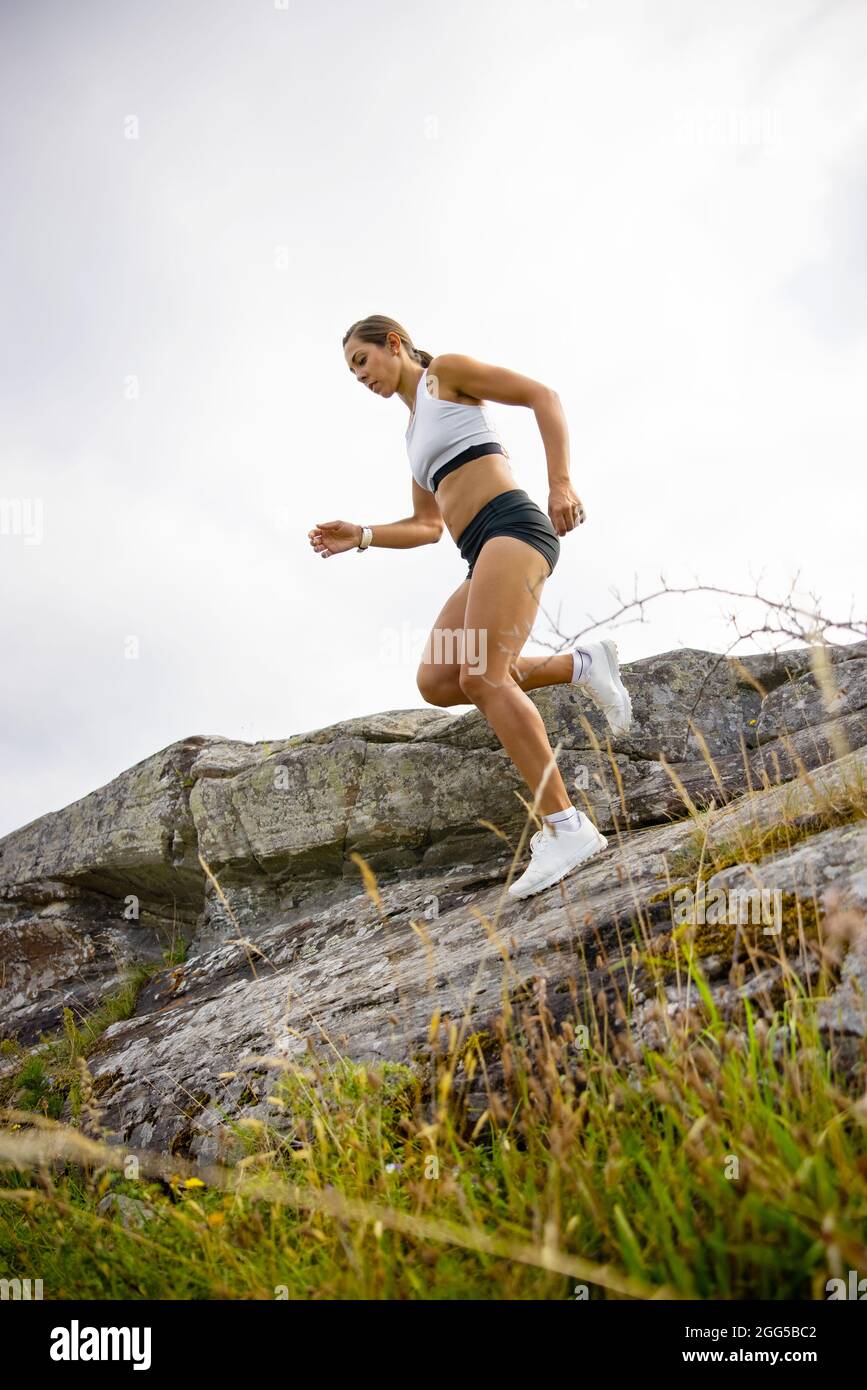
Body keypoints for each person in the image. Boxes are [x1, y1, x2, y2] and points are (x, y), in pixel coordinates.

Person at [308, 315, 633, 899]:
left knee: (483, 675)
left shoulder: (445, 376)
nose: (360, 377)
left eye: (362, 361)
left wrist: (561, 482)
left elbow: (542, 396)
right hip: (477, 552)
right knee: (437, 679)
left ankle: (566, 826)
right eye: (351, 372)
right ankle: (581, 666)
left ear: (396, 345)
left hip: (513, 527)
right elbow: (427, 525)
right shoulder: (413, 437)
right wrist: (360, 534)